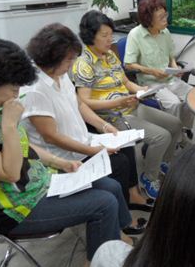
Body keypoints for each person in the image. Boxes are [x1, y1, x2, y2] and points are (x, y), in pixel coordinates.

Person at [0, 39, 144, 267]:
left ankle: (116, 240)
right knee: (104, 203)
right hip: (13, 210)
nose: (16, 95)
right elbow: (9, 172)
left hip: (38, 183)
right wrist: (10, 125)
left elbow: (24, 147)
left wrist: (61, 162)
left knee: (109, 185)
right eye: (13, 89)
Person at [21, 23, 153, 213]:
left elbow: (80, 104)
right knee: (119, 164)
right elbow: (51, 136)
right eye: (68, 60)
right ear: (52, 59)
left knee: (125, 147)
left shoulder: (60, 73)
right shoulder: (35, 89)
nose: (71, 65)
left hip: (82, 140)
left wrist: (105, 127)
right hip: (63, 157)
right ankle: (121, 216)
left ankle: (127, 203)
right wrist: (92, 150)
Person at [73, 10, 182, 199]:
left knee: (176, 125)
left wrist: (141, 90)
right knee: (162, 137)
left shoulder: (110, 56)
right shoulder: (84, 64)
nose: (110, 40)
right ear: (91, 37)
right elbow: (83, 102)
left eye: (111, 35)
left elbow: (126, 83)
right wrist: (119, 101)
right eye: (104, 36)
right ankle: (149, 177)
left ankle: (161, 162)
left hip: (131, 106)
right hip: (113, 116)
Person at [124, 0, 194, 139]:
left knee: (192, 96)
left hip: (169, 79)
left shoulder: (165, 32)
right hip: (151, 84)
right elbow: (128, 64)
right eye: (161, 18)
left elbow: (171, 56)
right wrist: (151, 71)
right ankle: (177, 137)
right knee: (174, 103)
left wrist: (175, 68)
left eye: (165, 15)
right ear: (149, 20)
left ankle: (184, 128)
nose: (165, 20)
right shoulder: (135, 35)